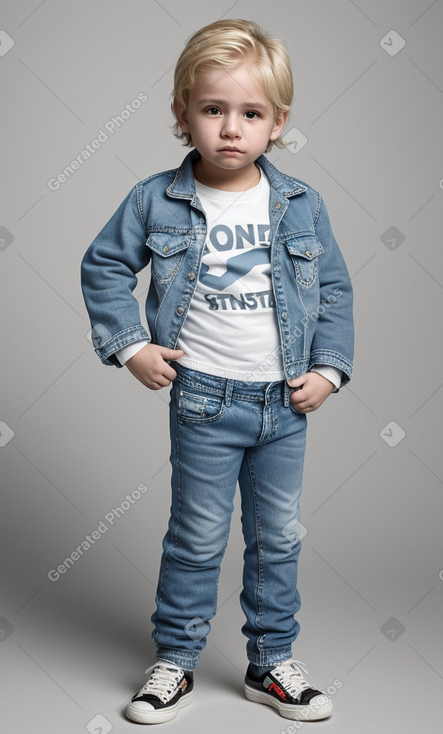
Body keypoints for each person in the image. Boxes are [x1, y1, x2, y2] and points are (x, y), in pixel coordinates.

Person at [80, 18, 354, 725]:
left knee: (278, 535)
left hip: (282, 404)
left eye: (250, 114)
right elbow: (105, 265)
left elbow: (331, 292)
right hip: (201, 398)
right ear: (182, 113)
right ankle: (174, 660)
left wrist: (327, 367)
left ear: (277, 123)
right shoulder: (156, 199)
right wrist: (130, 345)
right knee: (197, 534)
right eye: (212, 110)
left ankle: (271, 664)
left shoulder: (300, 205)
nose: (230, 129)